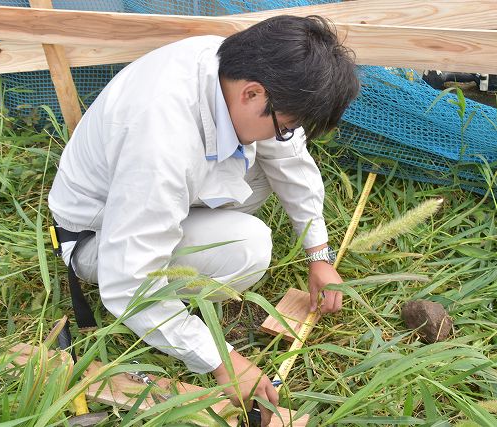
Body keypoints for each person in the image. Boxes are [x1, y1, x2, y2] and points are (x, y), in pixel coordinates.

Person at [48, 14, 359, 425]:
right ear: (252, 93)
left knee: (270, 164)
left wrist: (319, 254)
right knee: (247, 249)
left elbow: (292, 162)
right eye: (284, 126)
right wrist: (219, 358)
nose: (281, 136)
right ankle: (167, 310)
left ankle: (177, 251)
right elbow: (130, 277)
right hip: (97, 235)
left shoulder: (237, 68)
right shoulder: (161, 140)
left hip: (146, 192)